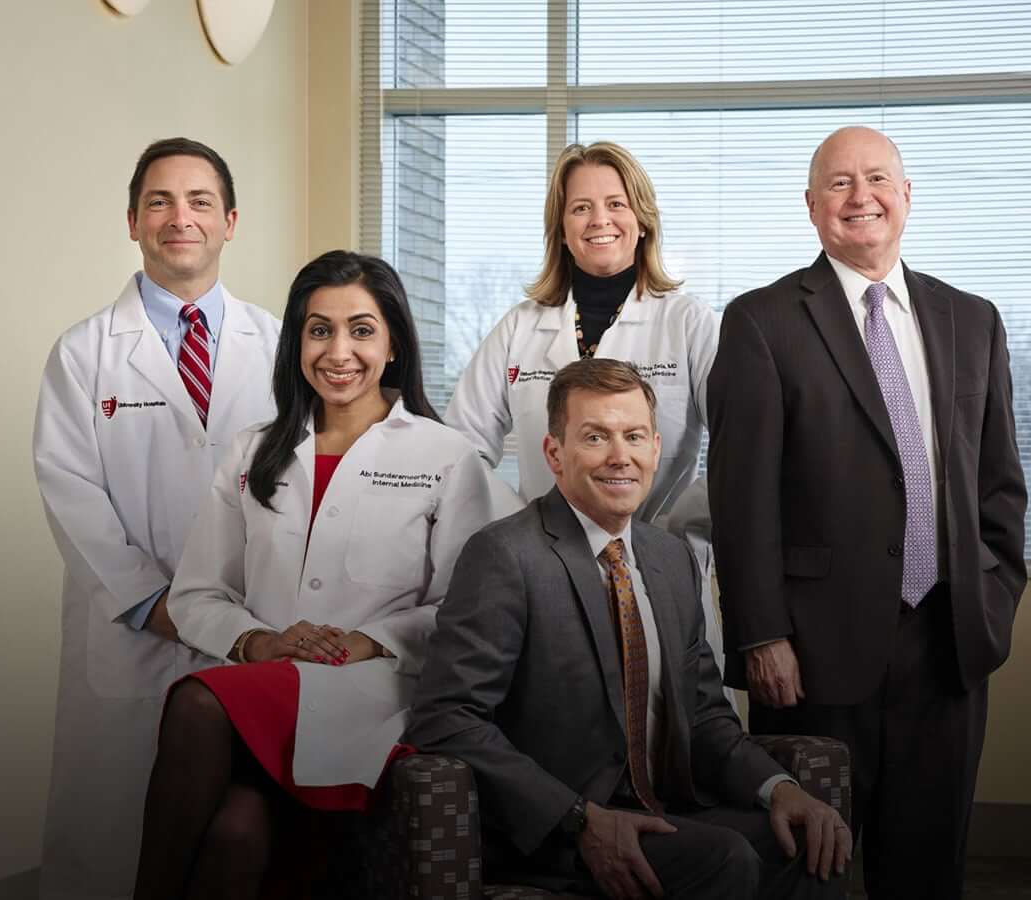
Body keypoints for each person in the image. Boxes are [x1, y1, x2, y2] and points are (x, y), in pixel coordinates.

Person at [707, 125, 1026, 899]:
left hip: (948, 641)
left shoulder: (973, 319)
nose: (862, 197)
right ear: (812, 205)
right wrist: (762, 634)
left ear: (907, 195)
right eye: (840, 183)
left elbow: (1000, 486)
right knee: (810, 872)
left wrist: (992, 598)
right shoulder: (761, 321)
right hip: (811, 653)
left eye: (878, 178)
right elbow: (741, 498)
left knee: (928, 871)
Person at [406, 358, 849, 900]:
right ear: (554, 454)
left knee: (811, 843)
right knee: (724, 858)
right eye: (595, 437)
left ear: (656, 449)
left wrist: (778, 788)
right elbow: (446, 717)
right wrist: (578, 818)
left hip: (666, 809)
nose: (620, 456)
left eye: (634, 436)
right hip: (557, 831)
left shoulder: (671, 559)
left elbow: (705, 715)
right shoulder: (505, 556)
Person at [132, 251, 499, 900]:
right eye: (319, 330)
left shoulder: (446, 456)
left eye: (362, 330)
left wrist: (371, 640)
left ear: (393, 345)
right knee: (236, 834)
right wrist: (258, 642)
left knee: (196, 700)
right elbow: (197, 593)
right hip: (268, 685)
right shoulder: (253, 451)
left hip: (374, 692)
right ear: (297, 344)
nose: (339, 351)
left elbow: (466, 609)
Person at [32, 137, 282, 900]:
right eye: (160, 202)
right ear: (133, 221)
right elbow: (70, 493)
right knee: (114, 843)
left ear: (230, 221)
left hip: (248, 630)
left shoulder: (279, 345)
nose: (181, 218)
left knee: (234, 845)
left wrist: (238, 615)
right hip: (135, 634)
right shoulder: (84, 353)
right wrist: (159, 605)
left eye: (200, 201)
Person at [443, 141, 724, 673]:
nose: (600, 220)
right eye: (580, 208)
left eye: (616, 204)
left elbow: (742, 448)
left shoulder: (689, 324)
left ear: (642, 220)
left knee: (669, 711)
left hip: (657, 567)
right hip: (543, 572)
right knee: (554, 706)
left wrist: (676, 528)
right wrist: (522, 530)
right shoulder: (521, 326)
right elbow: (457, 452)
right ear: (562, 228)